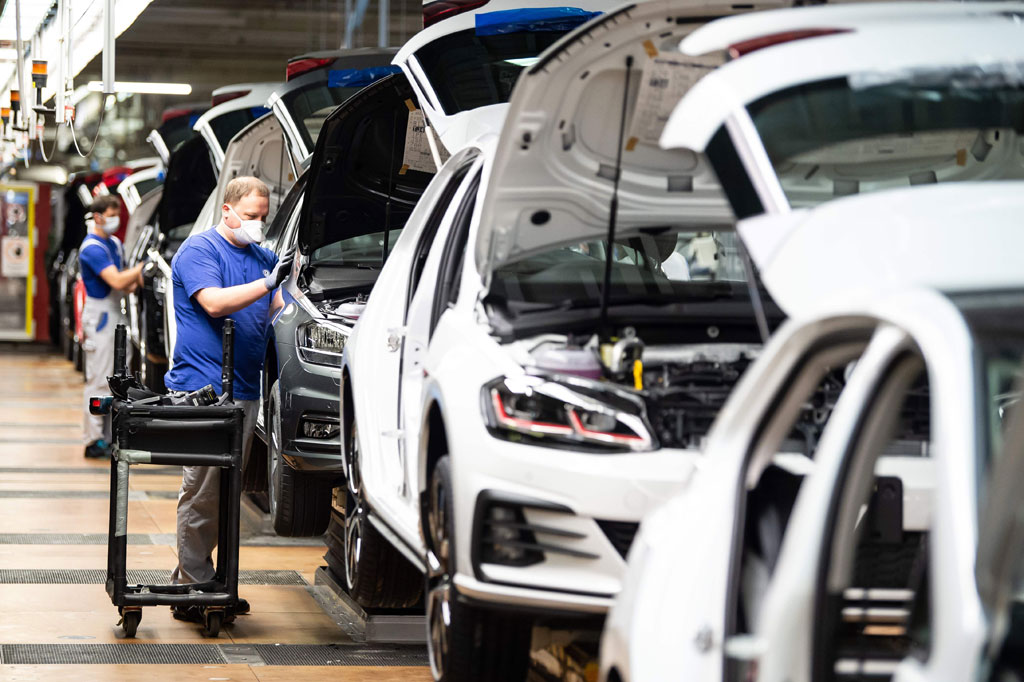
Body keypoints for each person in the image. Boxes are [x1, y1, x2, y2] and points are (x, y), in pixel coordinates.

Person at [164, 177, 293, 622]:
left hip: (243, 387)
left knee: (225, 492)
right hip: (202, 388)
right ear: (228, 210)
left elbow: (279, 307)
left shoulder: (263, 258)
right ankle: (193, 587)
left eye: (263, 217)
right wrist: (266, 286)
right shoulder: (200, 252)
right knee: (202, 489)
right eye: (250, 216)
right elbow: (215, 303)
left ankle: (208, 581)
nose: (257, 225)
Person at [79, 195, 144, 458]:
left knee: (116, 381)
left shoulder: (115, 244)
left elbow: (126, 284)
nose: (115, 221)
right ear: (98, 216)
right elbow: (118, 281)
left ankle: (109, 437)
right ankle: (94, 439)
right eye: (111, 214)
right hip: (100, 316)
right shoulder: (91, 248)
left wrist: (138, 276)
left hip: (117, 314)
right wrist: (142, 268)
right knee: (98, 379)